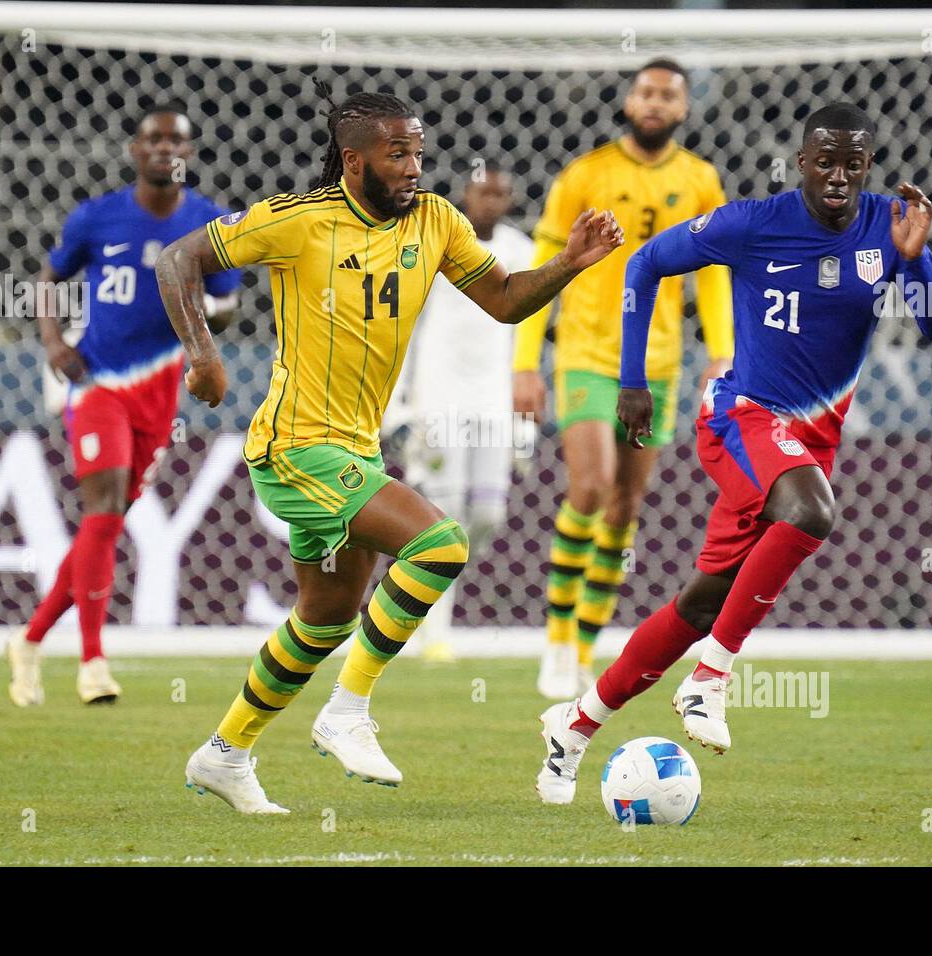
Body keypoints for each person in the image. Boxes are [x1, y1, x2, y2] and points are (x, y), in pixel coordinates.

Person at [156, 89, 623, 814]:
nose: (413, 167)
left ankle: (226, 753)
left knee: (324, 618)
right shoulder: (297, 221)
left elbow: (503, 299)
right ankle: (347, 712)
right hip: (294, 447)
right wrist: (204, 356)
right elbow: (177, 260)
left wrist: (569, 262)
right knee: (440, 544)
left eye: (418, 152)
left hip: (357, 451)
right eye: (397, 153)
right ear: (354, 159)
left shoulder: (436, 221)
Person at [537, 103, 932, 804]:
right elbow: (645, 263)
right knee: (810, 511)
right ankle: (710, 680)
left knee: (702, 603)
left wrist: (916, 262)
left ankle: (575, 726)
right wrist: (635, 382)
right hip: (741, 416)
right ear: (801, 162)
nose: (836, 176)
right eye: (824, 162)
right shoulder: (752, 223)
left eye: (851, 164)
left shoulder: (888, 225)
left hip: (807, 438)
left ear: (866, 167)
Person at [6, 105, 241, 706]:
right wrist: (55, 343)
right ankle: (92, 662)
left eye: (177, 140)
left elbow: (228, 302)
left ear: (189, 153)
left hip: (160, 392)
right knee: (104, 509)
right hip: (97, 383)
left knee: (104, 525)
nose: (165, 148)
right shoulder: (98, 216)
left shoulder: (207, 223)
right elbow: (48, 278)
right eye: (154, 139)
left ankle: (30, 640)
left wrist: (203, 315)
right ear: (136, 150)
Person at [513, 58, 733, 699]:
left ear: (684, 108)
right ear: (629, 99)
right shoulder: (585, 175)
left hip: (658, 364)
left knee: (626, 506)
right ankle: (555, 643)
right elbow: (544, 263)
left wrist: (721, 353)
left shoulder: (700, 181)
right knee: (591, 486)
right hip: (584, 353)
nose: (656, 102)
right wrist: (526, 360)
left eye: (669, 94)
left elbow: (714, 275)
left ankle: (584, 647)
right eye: (646, 91)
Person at [387, 161, 535, 656]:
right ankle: (435, 632)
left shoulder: (521, 250)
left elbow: (527, 335)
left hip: (493, 403)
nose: (490, 202)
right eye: (482, 192)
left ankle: (428, 584)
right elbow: (408, 324)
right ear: (465, 197)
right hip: (439, 397)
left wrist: (522, 416)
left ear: (509, 199)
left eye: (499, 193)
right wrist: (401, 403)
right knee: (445, 510)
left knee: (489, 512)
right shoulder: (438, 241)